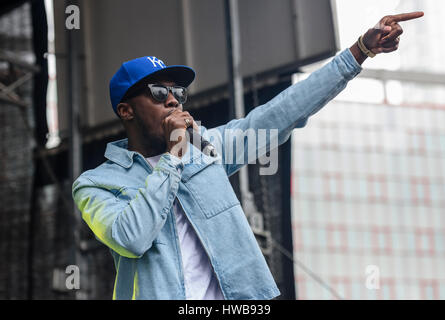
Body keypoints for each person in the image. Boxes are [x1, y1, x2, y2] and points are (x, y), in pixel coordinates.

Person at [72, 12, 424, 300]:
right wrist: (173, 155)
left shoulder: (206, 149)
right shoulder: (96, 184)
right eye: (158, 91)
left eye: (177, 91)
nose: (173, 99)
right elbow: (132, 238)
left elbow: (279, 114)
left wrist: (359, 51)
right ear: (126, 110)